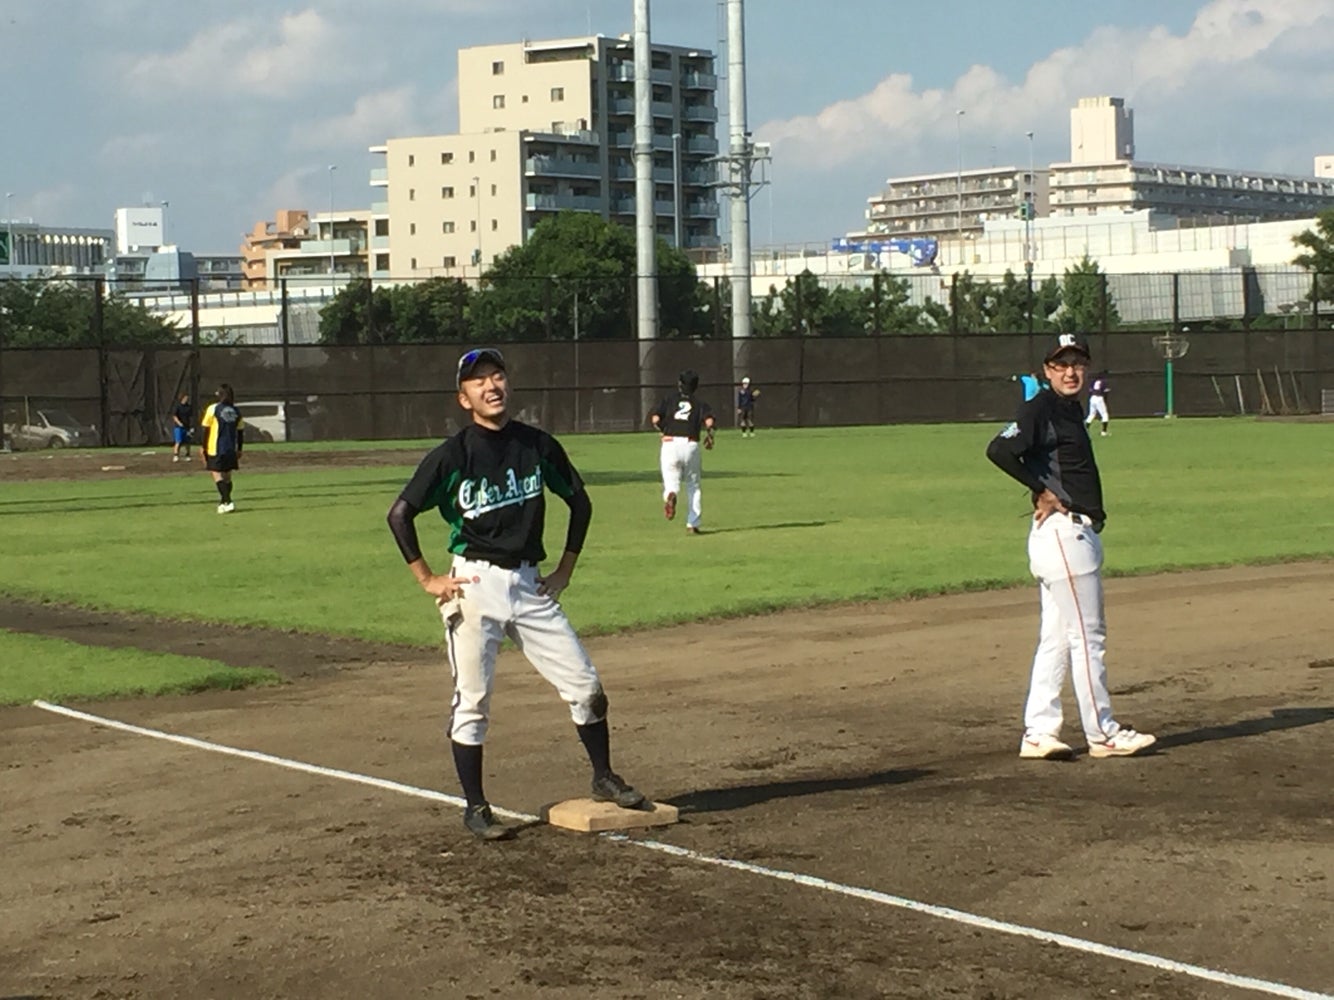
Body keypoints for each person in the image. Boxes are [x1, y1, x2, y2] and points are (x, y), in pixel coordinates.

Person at [386, 347, 644, 842]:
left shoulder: (537, 445)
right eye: (478, 381)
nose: (491, 385)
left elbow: (579, 501)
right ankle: (476, 807)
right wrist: (428, 578)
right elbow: (399, 514)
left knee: (586, 686)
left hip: (529, 585)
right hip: (474, 586)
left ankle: (604, 777)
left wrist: (565, 568)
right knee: (473, 701)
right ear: (464, 399)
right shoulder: (452, 455)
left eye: (497, 375)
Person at [985, 333, 1156, 761]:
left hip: (1067, 537)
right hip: (1065, 535)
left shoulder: (1069, 410)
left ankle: (1039, 732)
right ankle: (1104, 733)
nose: (1070, 371)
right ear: (1047, 371)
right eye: (1061, 364)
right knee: (1088, 638)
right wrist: (1040, 489)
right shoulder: (1041, 407)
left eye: (1077, 363)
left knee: (1057, 639)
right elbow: (1000, 449)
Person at [649, 369, 715, 535]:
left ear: (680, 384)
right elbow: (709, 422)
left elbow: (655, 419)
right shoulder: (699, 403)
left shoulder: (669, 399)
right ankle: (692, 523)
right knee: (693, 485)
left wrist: (663, 430)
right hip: (691, 444)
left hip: (670, 443)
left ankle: (670, 495)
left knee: (671, 482)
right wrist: (710, 435)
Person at [200, 384, 244, 514]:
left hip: (215, 447)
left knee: (217, 474)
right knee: (227, 477)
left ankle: (228, 501)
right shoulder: (236, 410)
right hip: (231, 448)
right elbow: (240, 432)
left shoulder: (213, 408)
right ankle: (223, 502)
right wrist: (239, 448)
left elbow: (206, 429)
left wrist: (203, 447)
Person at [1085, 371, 1110, 436]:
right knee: (1104, 414)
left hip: (1092, 398)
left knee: (1091, 414)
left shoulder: (1094, 381)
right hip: (1099, 398)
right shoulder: (1103, 382)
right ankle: (1104, 432)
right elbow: (1105, 391)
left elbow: (1090, 390)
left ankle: (1085, 430)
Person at [170, 392, 193, 463]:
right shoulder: (178, 406)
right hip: (178, 428)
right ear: (182, 398)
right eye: (185, 398)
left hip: (187, 427)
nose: (186, 399)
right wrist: (179, 423)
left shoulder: (189, 407)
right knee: (178, 441)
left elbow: (191, 417)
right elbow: (174, 416)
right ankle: (176, 455)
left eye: (187, 398)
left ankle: (187, 455)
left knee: (187, 442)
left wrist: (191, 427)